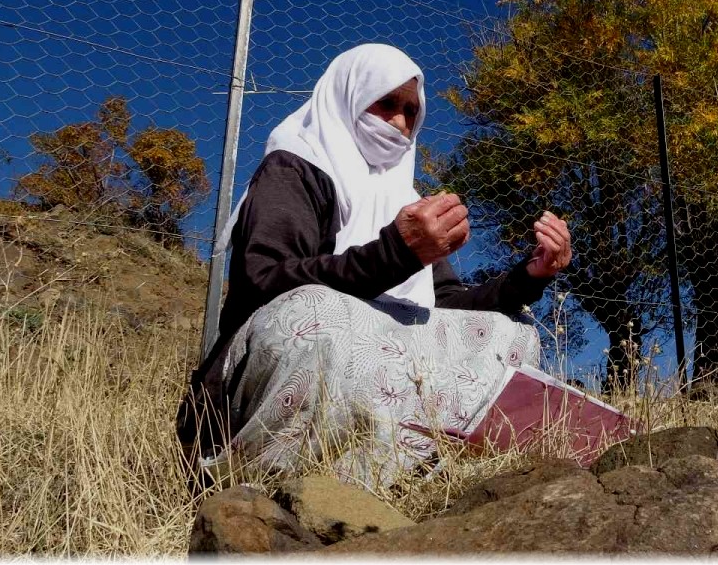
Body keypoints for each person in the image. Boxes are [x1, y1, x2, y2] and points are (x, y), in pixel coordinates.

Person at [177, 43, 572, 490]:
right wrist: (396, 254)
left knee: (510, 332)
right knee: (315, 313)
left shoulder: (403, 198)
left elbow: (444, 306)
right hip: (252, 385)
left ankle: (416, 471)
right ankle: (267, 485)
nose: (400, 123)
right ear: (350, 95)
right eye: (386, 104)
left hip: (380, 375)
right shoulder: (294, 167)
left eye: (410, 111)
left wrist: (530, 275)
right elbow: (264, 280)